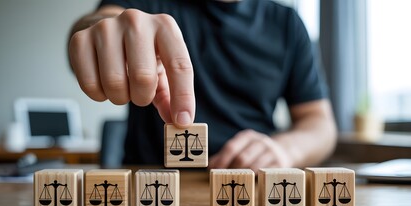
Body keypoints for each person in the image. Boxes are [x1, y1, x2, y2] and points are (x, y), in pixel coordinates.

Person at [68, 0, 337, 172]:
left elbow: (320, 125)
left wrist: (285, 150)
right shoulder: (147, 3)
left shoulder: (287, 24)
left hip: (251, 190)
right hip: (150, 187)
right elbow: (101, 22)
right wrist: (99, 30)